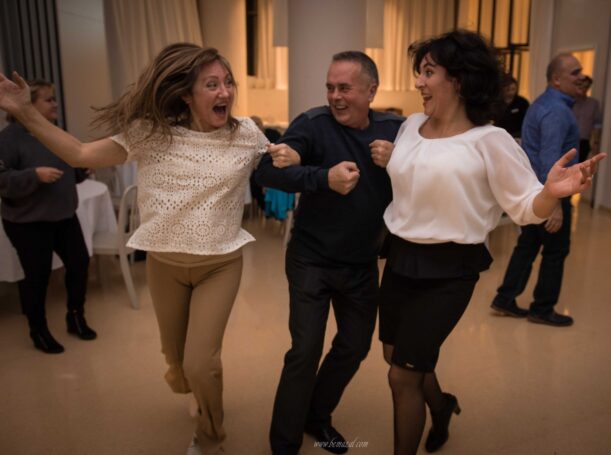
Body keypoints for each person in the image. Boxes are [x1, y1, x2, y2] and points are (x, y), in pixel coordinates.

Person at [0, 43, 297, 455]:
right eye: (212, 84)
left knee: (202, 363)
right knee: (176, 362)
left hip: (220, 264)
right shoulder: (151, 134)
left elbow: (281, 159)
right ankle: (189, 383)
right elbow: (80, 153)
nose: (225, 92)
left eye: (228, 82)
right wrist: (25, 112)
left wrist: (291, 154)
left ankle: (210, 436)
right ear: (186, 94)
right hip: (164, 264)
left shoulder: (245, 133)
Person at [378, 30, 604, 455]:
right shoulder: (410, 126)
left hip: (449, 270)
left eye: (428, 72)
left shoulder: (489, 140)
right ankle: (442, 406)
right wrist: (391, 159)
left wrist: (551, 193)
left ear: (459, 79)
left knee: (402, 375)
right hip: (400, 257)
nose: (419, 82)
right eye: (419, 72)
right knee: (397, 355)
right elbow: (413, 174)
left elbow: (525, 207)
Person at [254, 51, 403, 455]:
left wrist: (401, 160)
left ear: (371, 91)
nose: (335, 96)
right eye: (330, 87)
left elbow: (433, 168)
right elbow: (266, 171)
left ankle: (316, 415)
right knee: (304, 351)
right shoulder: (313, 124)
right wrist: (322, 178)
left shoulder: (395, 130)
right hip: (311, 260)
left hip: (361, 263)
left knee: (355, 346)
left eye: (345, 88)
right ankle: (284, 444)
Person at [491, 53, 586, 327]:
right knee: (555, 251)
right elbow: (550, 158)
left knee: (528, 245)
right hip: (549, 192)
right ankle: (542, 309)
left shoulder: (541, 103)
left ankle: (505, 298)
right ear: (556, 79)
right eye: (575, 72)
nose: (581, 77)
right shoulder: (557, 111)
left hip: (535, 190)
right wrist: (554, 204)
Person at [0, 78, 94, 354]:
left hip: (64, 216)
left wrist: (81, 170)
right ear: (29, 104)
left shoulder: (55, 133)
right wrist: (34, 175)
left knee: (79, 263)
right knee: (37, 277)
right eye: (49, 99)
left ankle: (75, 316)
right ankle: (38, 330)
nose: (55, 104)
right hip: (28, 223)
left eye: (54, 98)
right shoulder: (8, 139)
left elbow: (68, 170)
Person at [572, 75, 602, 162]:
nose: (583, 89)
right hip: (568, 140)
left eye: (586, 86)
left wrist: (596, 144)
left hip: (584, 141)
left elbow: (597, 125)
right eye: (580, 86)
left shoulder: (593, 104)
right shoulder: (569, 102)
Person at [493, 73, 529, 139]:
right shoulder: (496, 103)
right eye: (508, 90)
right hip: (499, 135)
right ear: (502, 89)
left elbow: (526, 122)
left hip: (517, 135)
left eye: (513, 89)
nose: (511, 92)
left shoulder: (522, 103)